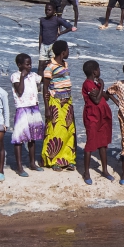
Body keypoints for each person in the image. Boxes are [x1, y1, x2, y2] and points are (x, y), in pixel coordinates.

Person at [41, 41, 77, 172]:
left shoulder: (65, 64)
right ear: (63, 52)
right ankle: (53, 160)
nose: (68, 52)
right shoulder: (49, 67)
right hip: (55, 102)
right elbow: (45, 88)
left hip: (67, 102)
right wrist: (47, 108)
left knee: (68, 131)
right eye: (68, 50)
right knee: (55, 131)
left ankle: (68, 159)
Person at [10, 53, 46, 176]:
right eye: (27, 64)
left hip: (33, 107)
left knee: (32, 137)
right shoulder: (15, 76)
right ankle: (19, 167)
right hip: (22, 109)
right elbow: (19, 91)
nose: (30, 66)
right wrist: (22, 77)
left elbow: (43, 80)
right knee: (19, 139)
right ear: (19, 65)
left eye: (30, 64)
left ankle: (32, 163)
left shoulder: (33, 75)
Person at [81, 60, 115, 183]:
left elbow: (105, 97)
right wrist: (101, 87)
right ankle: (86, 172)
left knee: (103, 143)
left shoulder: (96, 84)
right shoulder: (88, 84)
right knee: (90, 144)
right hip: (92, 116)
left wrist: (101, 88)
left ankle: (104, 170)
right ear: (95, 71)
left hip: (102, 116)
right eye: (99, 69)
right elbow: (96, 100)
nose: (100, 71)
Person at [39, 3, 76, 73]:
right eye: (46, 10)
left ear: (54, 11)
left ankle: (51, 80)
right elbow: (41, 35)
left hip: (52, 45)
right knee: (41, 65)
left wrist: (60, 33)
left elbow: (70, 27)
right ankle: (39, 82)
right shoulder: (42, 20)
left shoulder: (57, 20)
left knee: (52, 64)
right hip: (43, 46)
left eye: (49, 10)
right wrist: (40, 46)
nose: (47, 11)